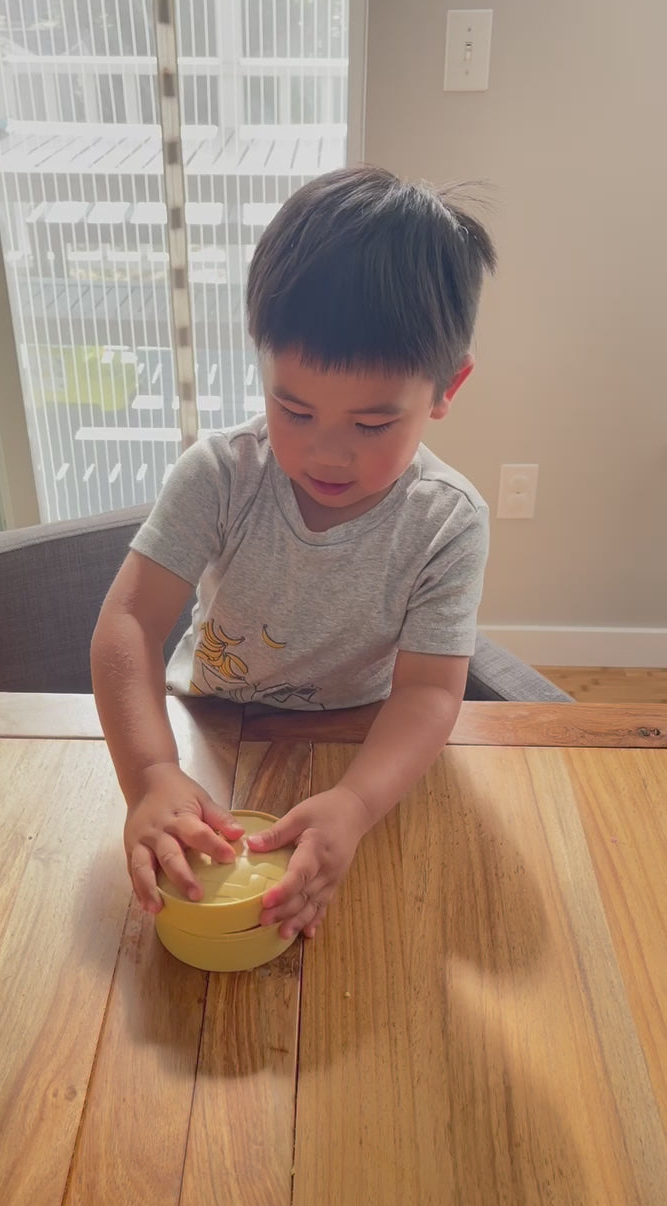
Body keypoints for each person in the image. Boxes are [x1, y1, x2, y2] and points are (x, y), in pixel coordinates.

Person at [91, 164, 496, 943]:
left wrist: (356, 803)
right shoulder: (219, 475)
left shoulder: (448, 523)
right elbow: (130, 624)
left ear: (448, 388)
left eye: (374, 425)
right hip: (205, 732)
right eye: (294, 407)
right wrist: (147, 775)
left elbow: (428, 696)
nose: (328, 453)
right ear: (261, 360)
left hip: (360, 752)